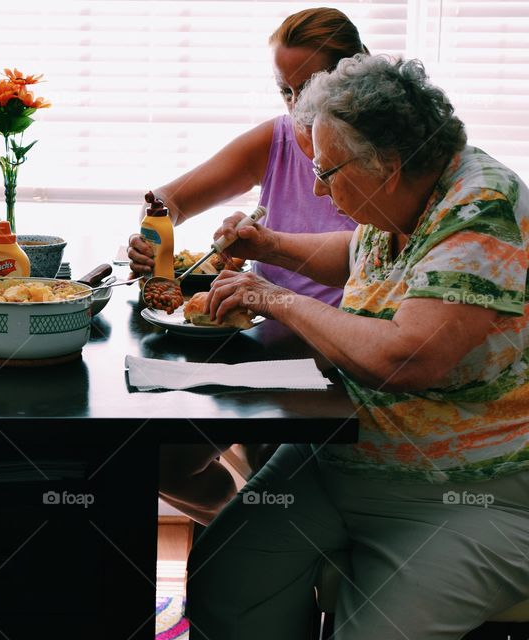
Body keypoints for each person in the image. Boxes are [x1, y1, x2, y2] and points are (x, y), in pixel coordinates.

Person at [187, 55, 529, 639]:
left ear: (387, 166)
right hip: (344, 457)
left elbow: (407, 357)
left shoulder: (481, 211)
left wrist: (277, 300)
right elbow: (356, 255)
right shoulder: (405, 191)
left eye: (325, 173)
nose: (318, 187)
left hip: (464, 490)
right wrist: (267, 244)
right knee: (225, 581)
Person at [130, 7, 367, 524]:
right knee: (157, 461)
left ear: (354, 75)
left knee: (267, 476)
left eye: (309, 89)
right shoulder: (279, 137)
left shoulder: (373, 155)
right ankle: (241, 539)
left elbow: (369, 261)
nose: (296, 105)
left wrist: (264, 245)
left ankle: (254, 552)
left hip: (327, 352)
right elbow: (169, 197)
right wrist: (156, 234)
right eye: (285, 90)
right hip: (254, 333)